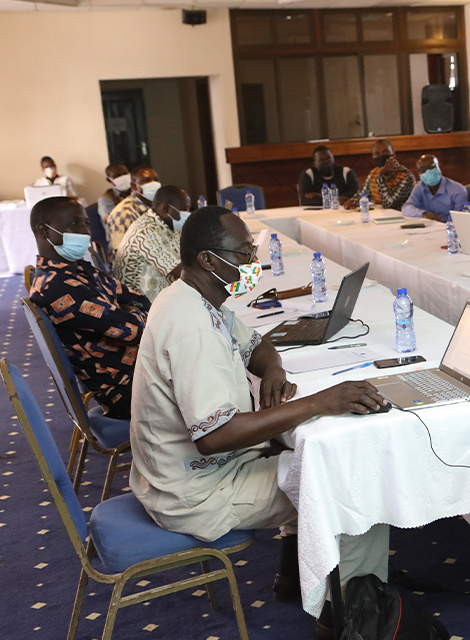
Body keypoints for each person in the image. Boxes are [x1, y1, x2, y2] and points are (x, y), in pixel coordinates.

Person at [128, 206, 390, 639]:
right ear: (209, 260)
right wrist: (321, 401)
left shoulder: (194, 297)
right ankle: (350, 621)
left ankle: (295, 572)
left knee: (300, 450)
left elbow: (258, 343)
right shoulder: (190, 326)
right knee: (357, 483)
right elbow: (216, 438)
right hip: (196, 491)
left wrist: (273, 371)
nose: (252, 261)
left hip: (192, 472)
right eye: (243, 252)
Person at [28, 196, 150, 419]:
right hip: (128, 391)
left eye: (86, 224)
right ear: (43, 230)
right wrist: (130, 317)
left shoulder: (80, 270)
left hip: (142, 368)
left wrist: (129, 314)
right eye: (75, 224)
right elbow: (135, 330)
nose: (84, 232)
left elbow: (139, 299)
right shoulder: (57, 289)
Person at [113, 185, 190, 301]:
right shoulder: (145, 230)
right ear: (166, 209)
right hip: (138, 303)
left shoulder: (166, 225)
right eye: (184, 209)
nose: (187, 214)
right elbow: (181, 272)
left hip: (163, 297)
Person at [104, 167, 161, 263]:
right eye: (147, 181)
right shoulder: (123, 214)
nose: (153, 184)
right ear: (134, 186)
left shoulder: (159, 207)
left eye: (155, 180)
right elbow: (122, 258)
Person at [344, 139, 416, 210]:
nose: (381, 156)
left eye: (386, 152)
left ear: (393, 154)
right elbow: (364, 194)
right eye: (377, 154)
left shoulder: (405, 176)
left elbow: (389, 205)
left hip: (403, 217)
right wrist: (353, 201)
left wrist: (381, 176)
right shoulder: (374, 173)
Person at [401, 155, 469, 223]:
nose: (428, 171)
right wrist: (424, 214)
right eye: (423, 170)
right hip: (428, 227)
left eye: (431, 167)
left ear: (440, 167)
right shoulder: (420, 187)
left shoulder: (458, 191)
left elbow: (461, 220)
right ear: (419, 174)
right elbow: (406, 208)